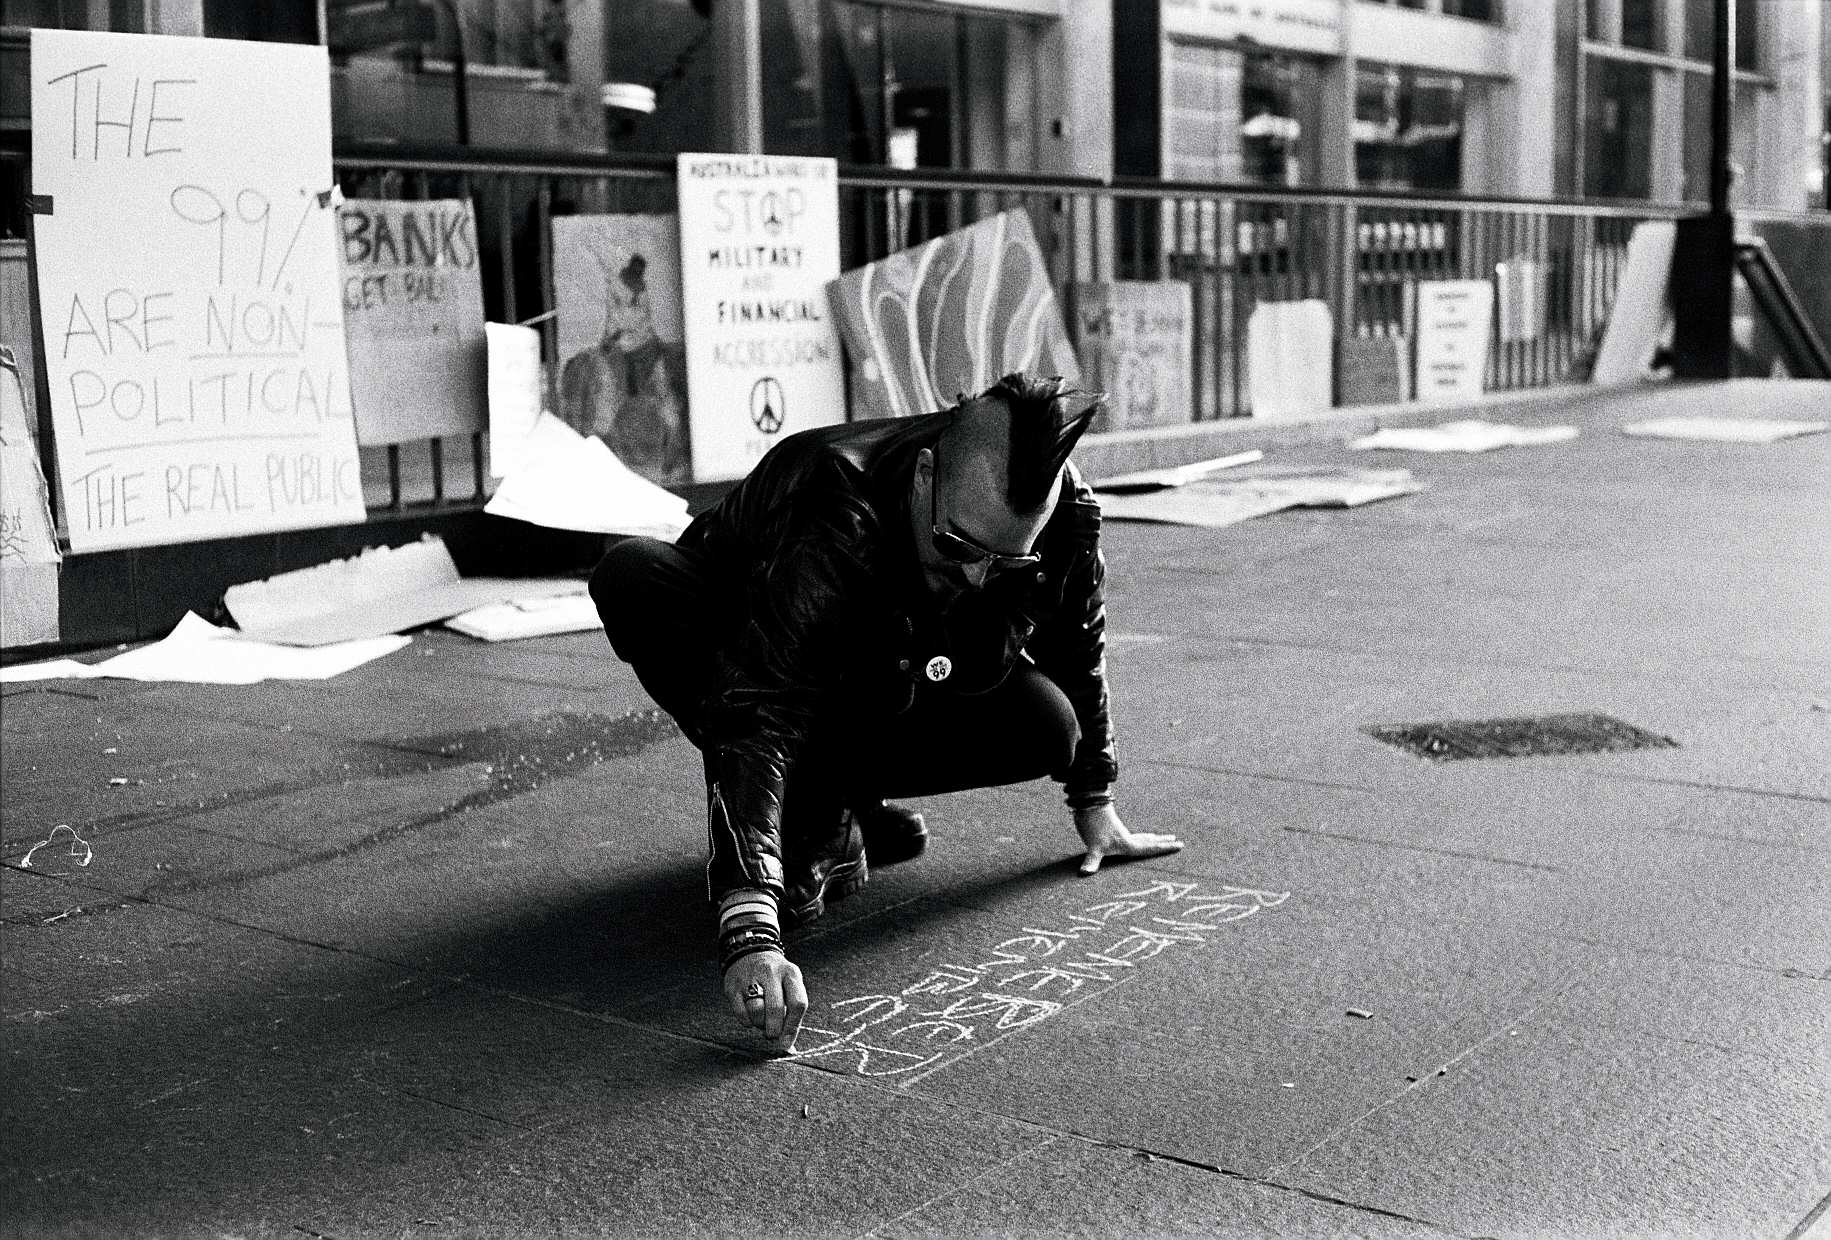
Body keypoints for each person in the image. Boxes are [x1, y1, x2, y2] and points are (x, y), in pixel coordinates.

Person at [590, 373, 1182, 1053]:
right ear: (925, 473)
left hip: (890, 669)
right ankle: (815, 809)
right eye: (960, 548)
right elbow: (759, 707)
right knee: (632, 574)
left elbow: (1077, 642)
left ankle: (838, 805)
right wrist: (749, 923)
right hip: (751, 653)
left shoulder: (1064, 508)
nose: (977, 578)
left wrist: (1094, 799)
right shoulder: (830, 495)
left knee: (1049, 727)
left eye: (1005, 562)